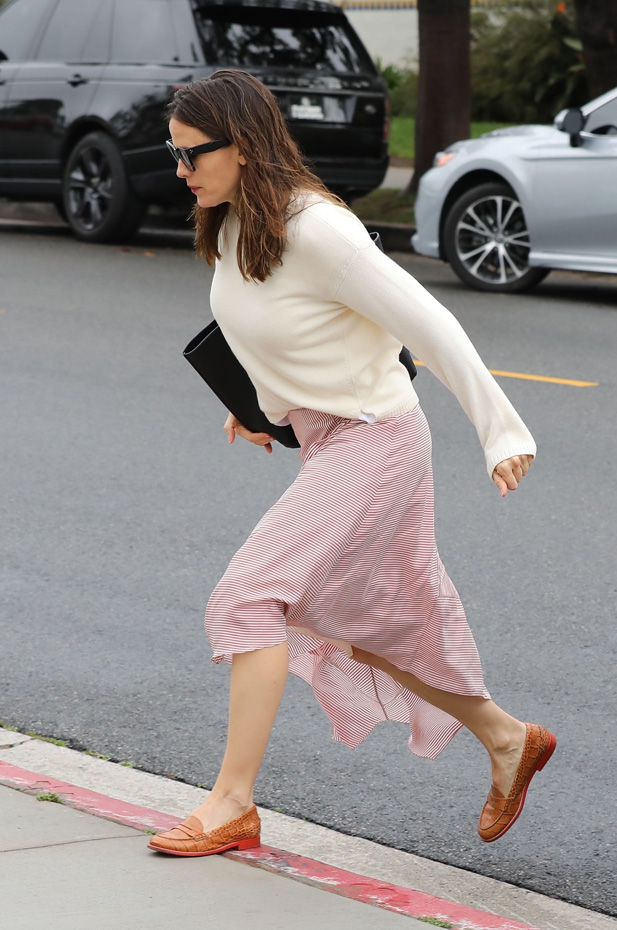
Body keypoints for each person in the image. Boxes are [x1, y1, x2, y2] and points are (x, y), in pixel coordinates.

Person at [148, 70, 555, 858]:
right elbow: (275, 325)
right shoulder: (232, 221)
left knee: (248, 597)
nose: (180, 170)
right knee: (372, 626)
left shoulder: (318, 229)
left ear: (245, 143)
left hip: (377, 437)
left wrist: (501, 430)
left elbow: (429, 325)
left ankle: (232, 803)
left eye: (193, 153)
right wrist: (261, 405)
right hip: (335, 437)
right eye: (174, 153)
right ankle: (509, 739)